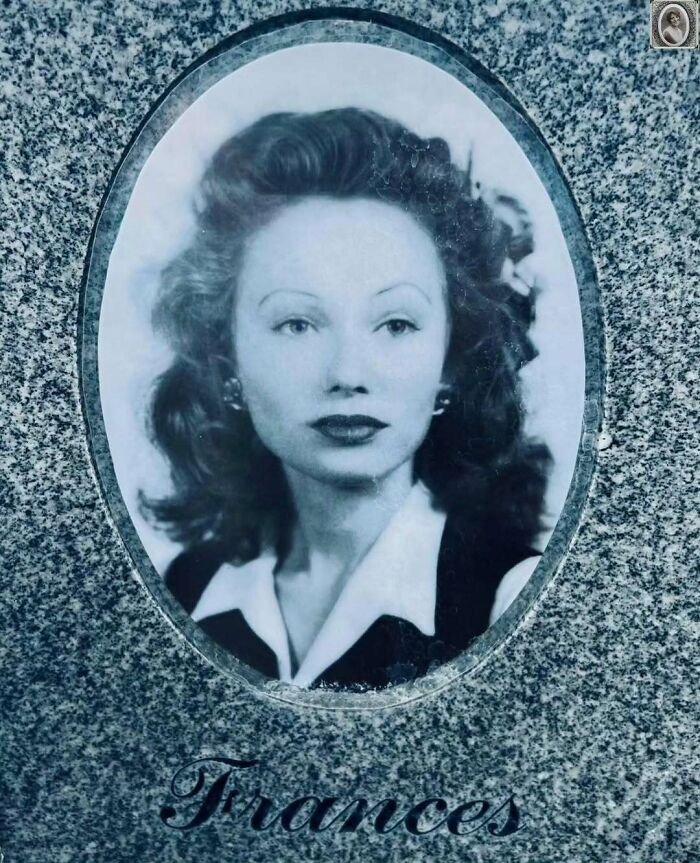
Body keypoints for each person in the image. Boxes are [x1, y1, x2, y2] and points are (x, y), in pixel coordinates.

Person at [143, 107, 551, 690]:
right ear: (225, 360)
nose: (347, 374)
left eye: (395, 324)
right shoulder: (188, 590)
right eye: (296, 324)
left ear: (450, 364)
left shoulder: (508, 601)